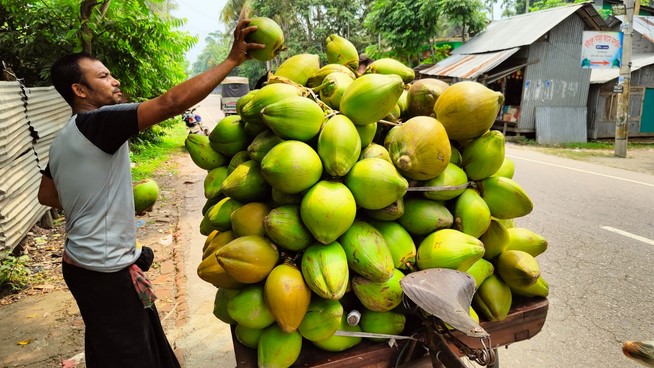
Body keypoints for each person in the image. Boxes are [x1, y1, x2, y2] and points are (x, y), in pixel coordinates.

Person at [37, 19, 264, 368]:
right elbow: (171, 102)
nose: (114, 81)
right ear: (79, 91)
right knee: (131, 355)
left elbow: (48, 196)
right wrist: (232, 59)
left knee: (119, 342)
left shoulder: (64, 138)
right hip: (105, 271)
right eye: (103, 77)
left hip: (82, 265)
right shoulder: (100, 122)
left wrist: (107, 200)